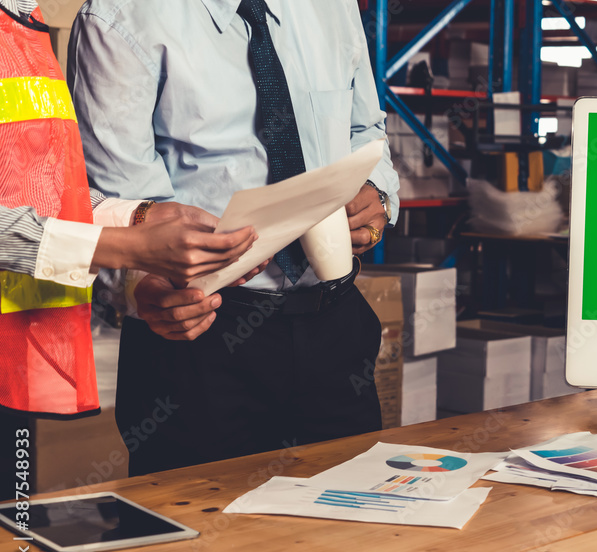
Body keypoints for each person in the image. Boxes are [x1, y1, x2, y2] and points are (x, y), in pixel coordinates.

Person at [69, 0, 401, 475]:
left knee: (350, 530)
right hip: (200, 336)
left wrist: (379, 194)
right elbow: (111, 200)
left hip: (334, 322)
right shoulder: (120, 16)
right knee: (195, 536)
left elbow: (365, 129)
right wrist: (138, 283)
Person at [1, 0, 258, 489]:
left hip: (11, 364)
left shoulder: (22, 28)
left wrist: (143, 217)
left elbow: (43, 191)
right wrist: (124, 247)